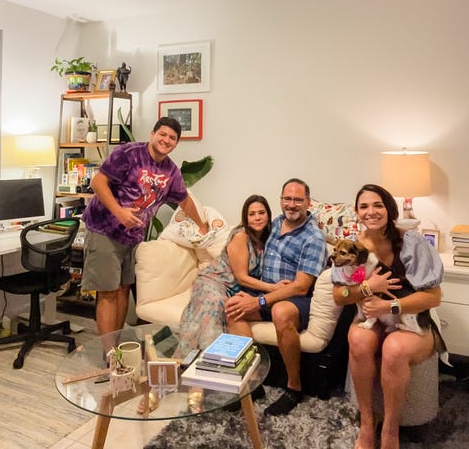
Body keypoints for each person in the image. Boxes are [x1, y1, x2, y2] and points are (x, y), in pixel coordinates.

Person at [331, 184, 444, 449]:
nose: (371, 212)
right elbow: (340, 295)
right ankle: (368, 425)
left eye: (378, 205)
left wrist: (388, 307)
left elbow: (433, 298)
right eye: (364, 206)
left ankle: (390, 431)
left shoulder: (412, 243)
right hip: (372, 315)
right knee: (359, 340)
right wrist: (370, 288)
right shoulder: (352, 248)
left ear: (389, 209)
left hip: (413, 319)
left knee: (393, 348)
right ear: (357, 212)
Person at [81, 116, 208, 339]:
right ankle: (109, 354)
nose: (166, 140)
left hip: (132, 237)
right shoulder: (129, 154)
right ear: (152, 134)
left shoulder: (170, 171)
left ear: (176, 144)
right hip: (104, 230)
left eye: (172, 138)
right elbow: (97, 183)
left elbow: (184, 200)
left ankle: (116, 346)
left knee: (122, 290)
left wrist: (203, 225)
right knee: (107, 291)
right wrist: (119, 212)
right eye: (163, 134)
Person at [225, 178, 328, 416]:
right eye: (287, 199)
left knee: (281, 311)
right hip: (268, 291)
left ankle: (294, 388)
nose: (291, 204)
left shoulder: (313, 238)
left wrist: (259, 300)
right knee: (232, 306)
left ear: (308, 202)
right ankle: (251, 382)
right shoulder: (277, 222)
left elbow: (301, 287)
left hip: (296, 299)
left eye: (298, 200)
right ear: (281, 200)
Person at [176, 194, 292, 357]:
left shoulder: (267, 237)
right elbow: (242, 278)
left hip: (233, 289)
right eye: (252, 214)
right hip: (213, 281)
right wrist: (274, 288)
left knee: (232, 305)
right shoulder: (241, 236)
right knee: (217, 306)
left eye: (261, 213)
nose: (257, 218)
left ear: (268, 215)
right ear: (245, 218)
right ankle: (204, 362)